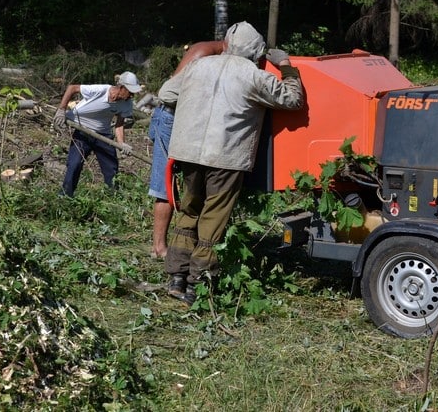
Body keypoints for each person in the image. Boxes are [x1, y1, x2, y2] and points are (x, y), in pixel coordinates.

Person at [164, 21, 304, 304]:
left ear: (227, 43)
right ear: (257, 52)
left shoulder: (198, 66)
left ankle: (176, 278)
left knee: (189, 212)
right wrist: (287, 65)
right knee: (213, 218)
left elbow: (166, 94)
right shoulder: (253, 75)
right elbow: (293, 99)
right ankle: (197, 286)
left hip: (188, 152)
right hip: (225, 156)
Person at [148, 41, 224, 259]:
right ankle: (159, 247)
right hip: (171, 117)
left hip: (185, 118)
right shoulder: (202, 53)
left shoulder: (216, 54)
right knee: (165, 183)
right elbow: (171, 93)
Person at [53, 71, 142, 197]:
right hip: (82, 131)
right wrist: (61, 109)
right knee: (74, 164)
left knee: (111, 169)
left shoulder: (126, 103)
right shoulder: (101, 90)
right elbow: (72, 88)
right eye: (130, 92)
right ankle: (65, 196)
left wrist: (121, 143)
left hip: (103, 136)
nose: (131, 96)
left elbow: (119, 124)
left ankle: (114, 198)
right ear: (122, 88)